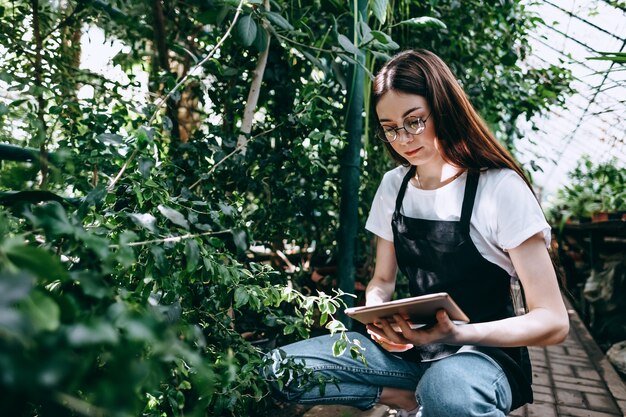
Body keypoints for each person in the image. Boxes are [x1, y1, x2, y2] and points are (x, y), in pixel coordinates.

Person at [264, 49, 570, 417]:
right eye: (390, 128)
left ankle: (431, 397)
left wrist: (458, 334)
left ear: (442, 109)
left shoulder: (499, 188)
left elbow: (553, 321)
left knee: (446, 389)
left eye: (415, 121)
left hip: (482, 356)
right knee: (278, 368)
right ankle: (401, 397)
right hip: (412, 351)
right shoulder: (395, 186)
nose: (403, 138)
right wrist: (379, 317)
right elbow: (381, 279)